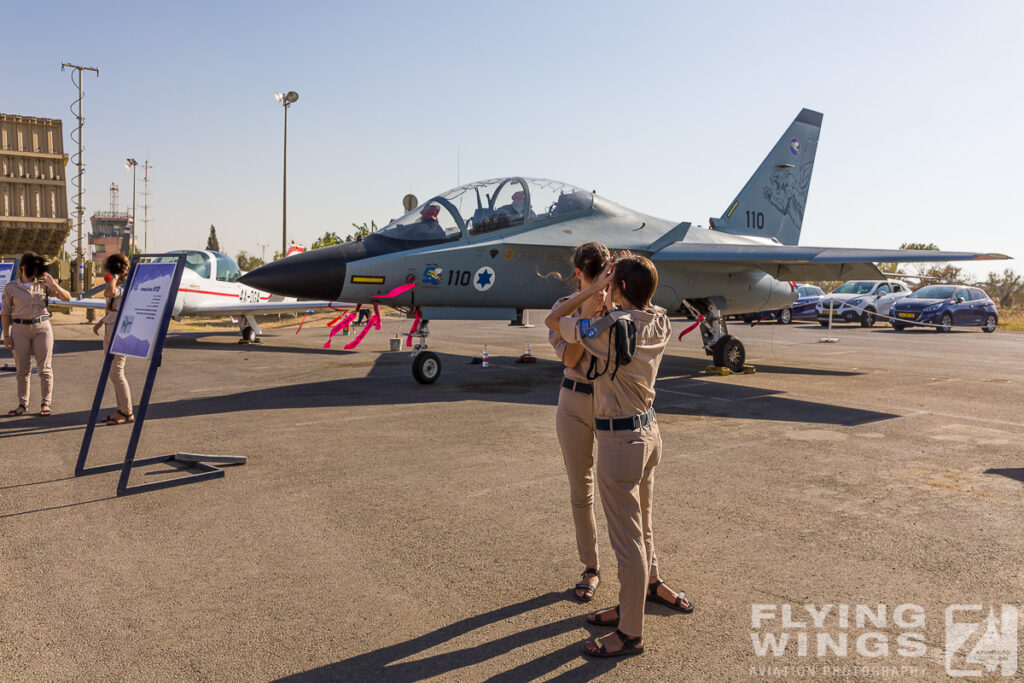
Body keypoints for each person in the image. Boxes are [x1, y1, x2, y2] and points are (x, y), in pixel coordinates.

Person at [545, 253, 694, 658]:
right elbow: (645, 298)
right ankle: (636, 602)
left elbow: (555, 322)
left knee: (627, 545)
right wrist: (627, 278)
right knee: (643, 528)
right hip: (649, 433)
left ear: (619, 286)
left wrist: (595, 290)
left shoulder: (608, 328)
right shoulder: (659, 320)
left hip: (621, 441)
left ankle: (630, 633)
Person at [547, 242, 611, 603]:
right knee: (581, 490)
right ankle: (591, 567)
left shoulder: (620, 311)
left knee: (619, 491)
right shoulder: (562, 310)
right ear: (581, 278)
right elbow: (571, 357)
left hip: (609, 401)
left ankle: (641, 571)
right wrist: (587, 305)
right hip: (573, 400)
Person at [1, 252, 72, 416]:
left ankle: (45, 403)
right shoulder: (11, 287)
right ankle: (22, 404)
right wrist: (6, 336)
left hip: (42, 328)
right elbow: (5, 313)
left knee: (45, 368)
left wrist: (54, 285)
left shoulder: (44, 284)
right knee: (22, 369)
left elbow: (67, 298)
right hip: (20, 330)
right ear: (23, 267)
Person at [92, 253, 134, 425]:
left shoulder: (128, 284)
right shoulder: (117, 282)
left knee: (117, 372)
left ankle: (127, 412)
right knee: (113, 372)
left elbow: (109, 292)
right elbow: (112, 306)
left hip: (120, 330)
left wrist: (115, 276)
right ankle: (121, 409)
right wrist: (101, 321)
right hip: (111, 326)